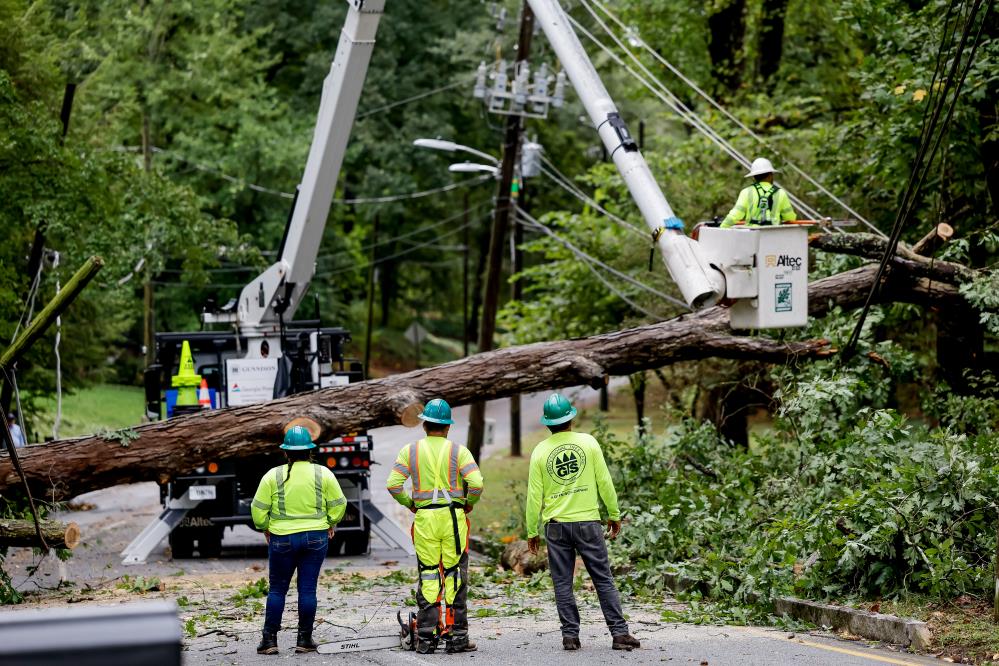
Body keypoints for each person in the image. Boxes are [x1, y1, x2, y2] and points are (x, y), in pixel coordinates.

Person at [525, 393, 641, 652]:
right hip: (588, 523)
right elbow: (604, 481)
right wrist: (614, 513)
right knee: (603, 579)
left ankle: (570, 637)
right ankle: (620, 634)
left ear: (547, 423)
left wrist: (531, 530)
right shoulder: (588, 443)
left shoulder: (540, 451)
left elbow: (534, 495)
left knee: (563, 583)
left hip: (555, 527)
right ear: (570, 420)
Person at [385, 398, 484, 654]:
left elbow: (393, 485)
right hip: (452, 520)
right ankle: (457, 637)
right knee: (454, 575)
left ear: (424, 425)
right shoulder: (458, 451)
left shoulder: (410, 451)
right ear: (448, 427)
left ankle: (427, 638)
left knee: (429, 574)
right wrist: (468, 503)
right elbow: (476, 484)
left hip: (425, 520)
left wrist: (410, 504)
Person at [251, 425, 347, 655]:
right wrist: (330, 523)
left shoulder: (272, 476)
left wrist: (265, 527)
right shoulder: (323, 474)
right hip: (316, 537)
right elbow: (339, 504)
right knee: (307, 590)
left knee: (277, 590)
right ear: (310, 450)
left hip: (281, 539)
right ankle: (304, 639)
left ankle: (269, 640)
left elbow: (257, 510)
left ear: (286, 452)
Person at [721, 157, 797, 228]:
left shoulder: (746, 192)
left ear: (754, 177)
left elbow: (735, 215)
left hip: (752, 237)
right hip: (773, 236)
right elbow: (790, 218)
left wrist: (722, 227)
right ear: (770, 175)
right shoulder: (780, 193)